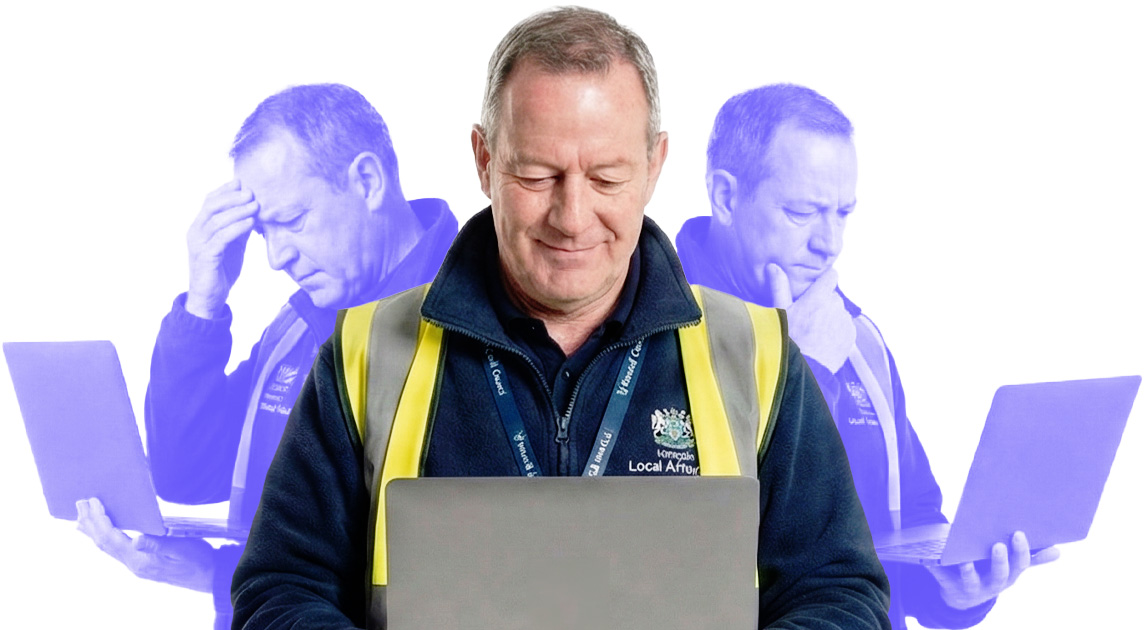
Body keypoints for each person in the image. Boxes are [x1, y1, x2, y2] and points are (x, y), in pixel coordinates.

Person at [232, 8, 891, 629]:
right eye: (538, 175)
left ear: (655, 167)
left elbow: (838, 590)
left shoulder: (757, 352)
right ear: (485, 161)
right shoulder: (364, 350)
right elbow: (281, 588)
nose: (572, 218)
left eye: (606, 178)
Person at [74, 83, 458, 629]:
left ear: (367, 181)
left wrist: (220, 577)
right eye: (262, 233)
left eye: (293, 222)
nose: (277, 257)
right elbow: (189, 475)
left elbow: (458, 571)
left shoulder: (477, 321)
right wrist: (203, 304)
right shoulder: (299, 325)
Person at [675, 83, 1058, 629]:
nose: (828, 243)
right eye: (803, 212)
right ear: (726, 196)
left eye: (843, 212)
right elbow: (686, 545)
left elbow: (909, 524)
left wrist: (954, 588)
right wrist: (797, 363)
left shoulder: (855, 338)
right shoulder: (647, 326)